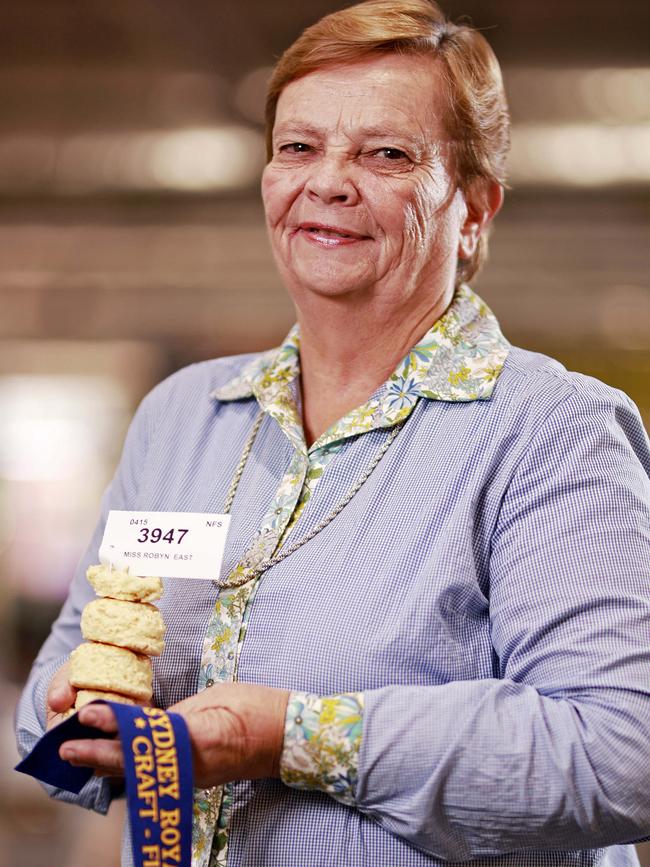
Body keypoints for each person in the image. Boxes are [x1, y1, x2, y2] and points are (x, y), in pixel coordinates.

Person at [15, 1, 650, 865]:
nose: (328, 182)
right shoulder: (184, 416)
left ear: (474, 209)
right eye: (298, 147)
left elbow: (620, 753)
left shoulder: (552, 430)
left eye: (386, 153)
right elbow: (57, 694)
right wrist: (72, 715)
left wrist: (291, 737)